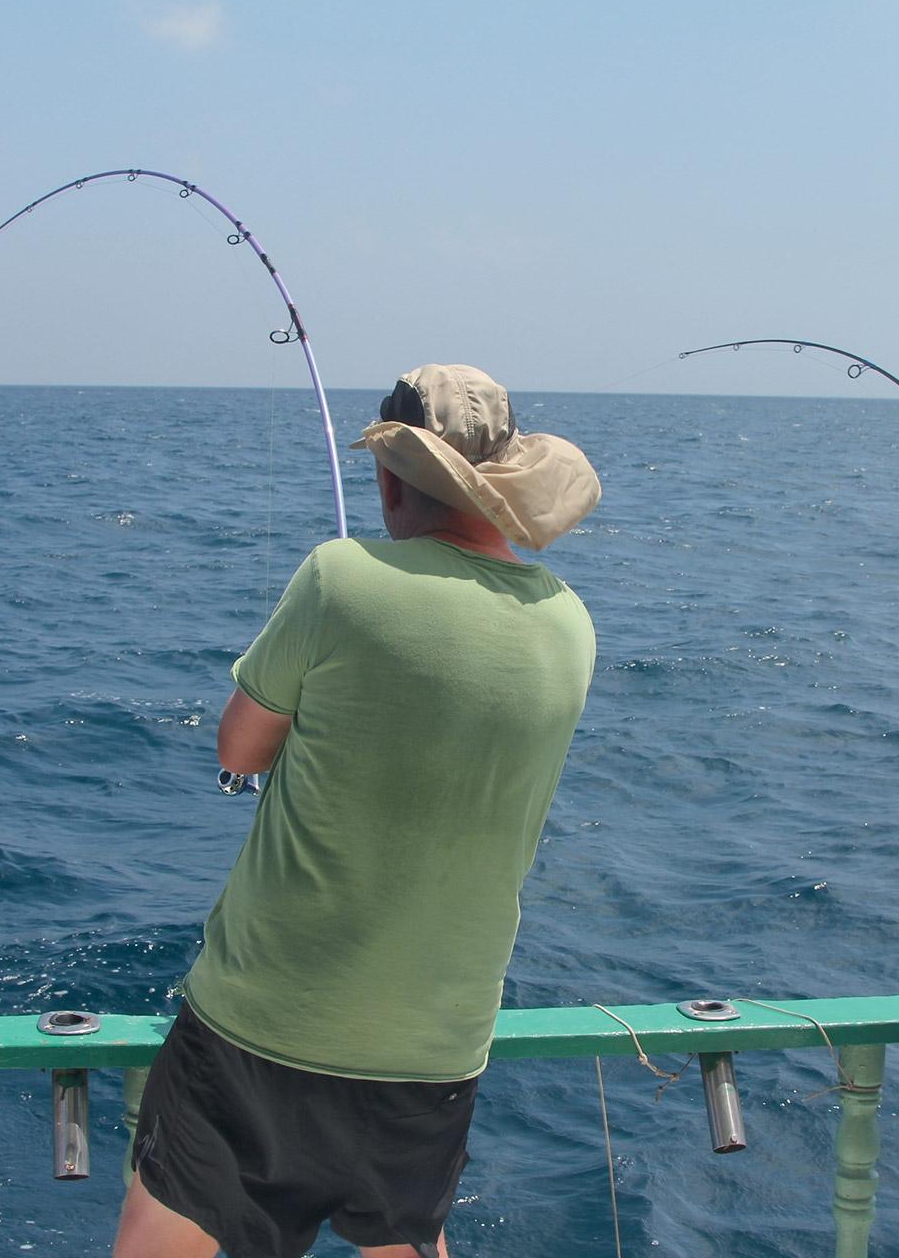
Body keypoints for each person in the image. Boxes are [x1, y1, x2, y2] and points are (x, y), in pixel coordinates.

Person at [113, 364, 601, 1258]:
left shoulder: (339, 577)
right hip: (437, 1043)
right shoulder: (571, 623)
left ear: (390, 478)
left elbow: (239, 750)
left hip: (264, 1021)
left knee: (162, 1234)